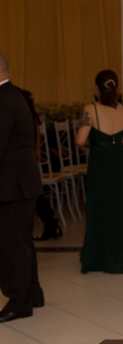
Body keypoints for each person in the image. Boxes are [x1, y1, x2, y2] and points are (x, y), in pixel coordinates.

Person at [74, 70, 123, 273]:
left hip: (100, 160)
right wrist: (114, 143)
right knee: (122, 203)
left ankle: (100, 256)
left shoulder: (90, 110)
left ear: (97, 88)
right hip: (119, 159)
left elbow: (80, 140)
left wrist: (95, 144)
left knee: (100, 204)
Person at [0, 52, 44, 322]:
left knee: (10, 245)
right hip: (22, 182)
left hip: (11, 186)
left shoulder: (3, 99)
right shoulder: (15, 95)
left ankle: (19, 302)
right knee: (21, 242)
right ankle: (33, 293)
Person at [15, 87, 61, 241]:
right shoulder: (30, 114)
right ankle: (51, 225)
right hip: (27, 157)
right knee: (33, 194)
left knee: (31, 195)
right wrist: (37, 151)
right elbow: (37, 134)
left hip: (20, 159)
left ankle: (50, 225)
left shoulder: (19, 113)